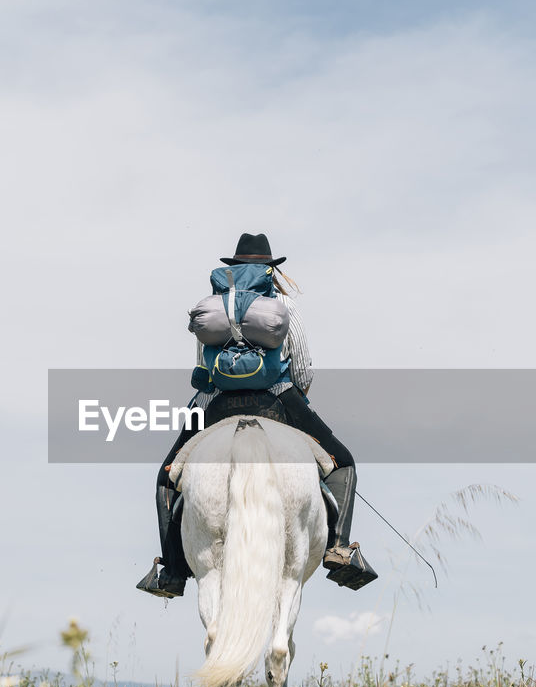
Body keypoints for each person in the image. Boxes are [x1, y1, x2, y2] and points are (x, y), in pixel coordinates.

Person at [137, 232, 378, 598]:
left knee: (166, 476)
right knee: (344, 463)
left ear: (233, 268)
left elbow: (201, 368)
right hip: (277, 398)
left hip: (215, 403)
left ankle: (171, 572)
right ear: (270, 269)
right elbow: (303, 371)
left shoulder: (211, 308)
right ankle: (339, 550)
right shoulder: (284, 305)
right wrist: (294, 399)